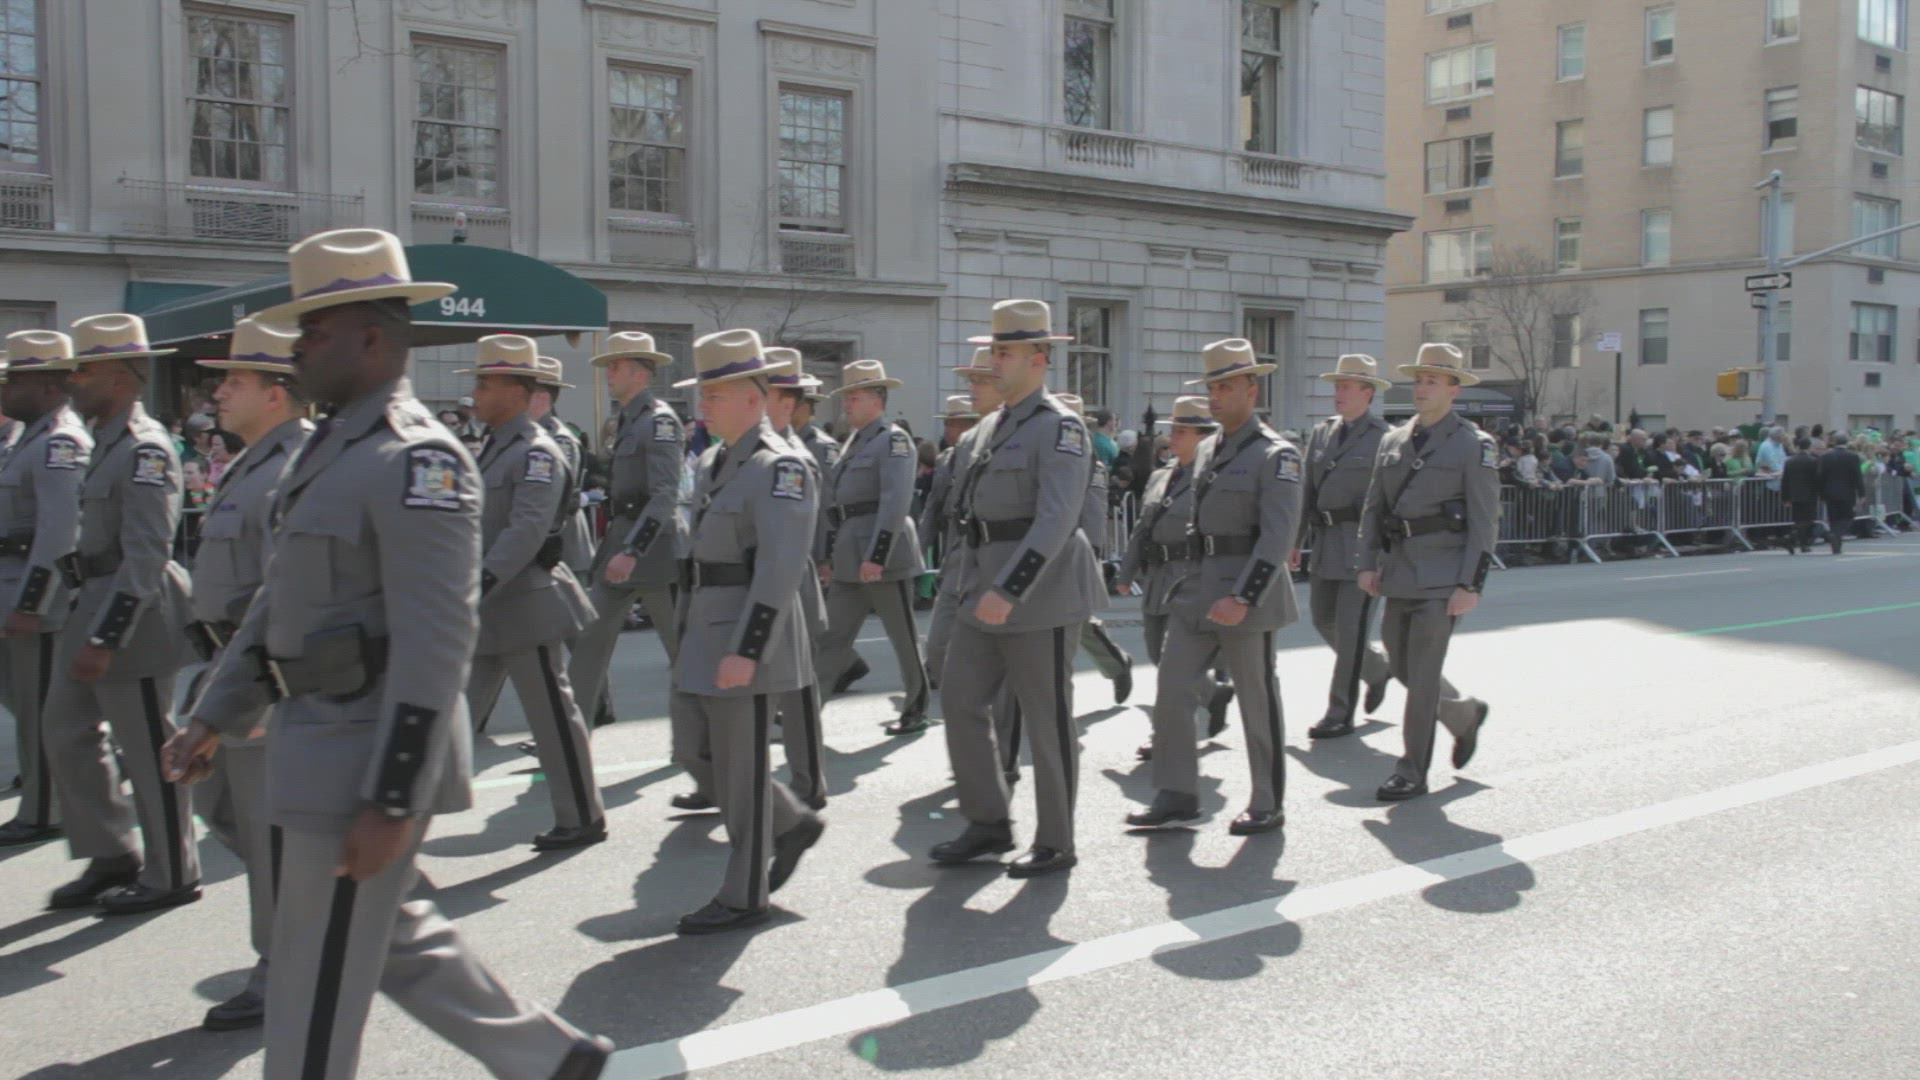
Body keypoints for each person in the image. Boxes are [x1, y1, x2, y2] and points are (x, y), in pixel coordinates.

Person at [161, 228, 612, 1079]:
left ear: (370, 337)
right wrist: (215, 711)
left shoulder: (418, 460)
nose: (298, 348)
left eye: (314, 331)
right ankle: (549, 1059)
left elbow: (438, 637)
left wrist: (394, 793)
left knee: (312, 991)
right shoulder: (328, 450)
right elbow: (278, 602)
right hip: (311, 739)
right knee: (393, 937)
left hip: (361, 755)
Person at [930, 299, 1104, 877]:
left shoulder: (1061, 428)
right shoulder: (988, 428)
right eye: (994, 350)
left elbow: (1057, 520)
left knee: (1046, 718)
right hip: (980, 588)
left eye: (1005, 352)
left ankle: (1056, 840)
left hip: (1038, 596)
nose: (994, 361)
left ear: (1039, 358)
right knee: (959, 699)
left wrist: (1009, 589)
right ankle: (987, 821)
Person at [663, 329, 825, 933]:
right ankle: (790, 821)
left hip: (744, 637)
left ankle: (744, 894)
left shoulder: (780, 467)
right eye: (703, 392)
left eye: (715, 393)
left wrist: (749, 650)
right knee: (694, 749)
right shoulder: (715, 461)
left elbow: (779, 567)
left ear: (754, 398)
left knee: (741, 770)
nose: (702, 403)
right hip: (704, 629)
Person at [177, 317, 312, 1029]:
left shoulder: (294, 467)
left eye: (235, 380)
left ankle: (284, 966)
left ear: (276, 392)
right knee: (218, 807)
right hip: (224, 667)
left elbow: (283, 595)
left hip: (258, 678)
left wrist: (255, 696)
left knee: (267, 829)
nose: (219, 393)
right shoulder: (252, 460)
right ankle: (324, 899)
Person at [41, 313, 200, 913]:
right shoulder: (104, 440)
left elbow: (147, 556)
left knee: (149, 748)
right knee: (64, 732)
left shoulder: (145, 448)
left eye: (84, 369)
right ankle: (111, 852)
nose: (72, 379)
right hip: (90, 601)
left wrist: (106, 636)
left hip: (134, 613)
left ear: (121, 376)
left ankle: (173, 872)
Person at [1126, 339, 1300, 834]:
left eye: (1226, 386)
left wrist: (1244, 595)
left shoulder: (1276, 455)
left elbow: (1277, 536)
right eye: (1212, 388)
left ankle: (1267, 800)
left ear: (1252, 389)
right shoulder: (1205, 450)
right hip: (1197, 589)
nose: (1216, 396)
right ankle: (1177, 793)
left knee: (1256, 698)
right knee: (1172, 688)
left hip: (1246, 594)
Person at [456, 336, 607, 851]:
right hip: (490, 608)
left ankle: (582, 815)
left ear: (519, 392)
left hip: (523, 606)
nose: (476, 393)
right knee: (450, 718)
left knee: (552, 720)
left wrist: (479, 582)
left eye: (485, 383)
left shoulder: (536, 452)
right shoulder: (494, 447)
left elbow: (525, 531)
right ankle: (402, 821)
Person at [1356, 342, 1496, 802]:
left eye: (1432, 381)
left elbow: (1484, 521)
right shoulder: (1393, 440)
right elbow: (1374, 507)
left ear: (1454, 389)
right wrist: (1367, 562)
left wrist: (1470, 584)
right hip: (1398, 571)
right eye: (1418, 380)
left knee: (1421, 676)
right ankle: (1462, 714)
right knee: (1400, 666)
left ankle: (1411, 771)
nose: (1421, 388)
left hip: (1442, 576)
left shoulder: (1473, 445)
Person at [567, 332, 686, 765]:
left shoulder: (659, 421)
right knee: (589, 639)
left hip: (654, 552)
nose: (609, 374)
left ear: (639, 372)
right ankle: (569, 736)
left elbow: (665, 494)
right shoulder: (627, 421)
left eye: (615, 366)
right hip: (620, 542)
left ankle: (703, 738)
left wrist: (633, 550)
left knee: (683, 652)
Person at [0, 331, 88, 848]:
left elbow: (58, 534)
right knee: (21, 700)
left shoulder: (59, 443)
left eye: (15, 380)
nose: (5, 389)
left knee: (39, 710)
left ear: (49, 387)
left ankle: (44, 809)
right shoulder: (26, 439)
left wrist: (33, 604)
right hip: (11, 591)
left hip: (35, 602)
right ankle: (46, 783)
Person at [814, 359, 931, 736]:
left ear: (877, 400)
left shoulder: (893, 440)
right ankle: (808, 709)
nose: (846, 405)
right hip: (850, 552)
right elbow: (838, 505)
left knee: (902, 636)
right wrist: (830, 555)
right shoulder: (855, 441)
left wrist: (877, 556)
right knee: (833, 636)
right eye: (846, 398)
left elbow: (894, 502)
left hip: (883, 555)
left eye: (855, 397)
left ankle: (915, 706)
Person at [1115, 396, 1234, 762]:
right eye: (1174, 429)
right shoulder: (1160, 476)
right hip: (1157, 578)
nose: (1174, 436)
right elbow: (1142, 528)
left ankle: (1166, 735)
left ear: (1204, 437)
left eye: (1183, 430)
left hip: (1190, 577)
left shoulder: (1214, 478)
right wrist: (1126, 570)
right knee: (1156, 652)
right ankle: (1213, 693)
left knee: (1172, 664)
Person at [1292, 354, 1392, 741]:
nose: (1339, 393)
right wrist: (1295, 541)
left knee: (1350, 632)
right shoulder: (1322, 433)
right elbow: (1306, 492)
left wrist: (1381, 555)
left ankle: (1339, 712)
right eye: (1337, 386)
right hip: (1326, 544)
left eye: (1347, 386)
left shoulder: (1385, 437)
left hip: (1363, 547)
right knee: (1323, 620)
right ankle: (1376, 669)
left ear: (1367, 392)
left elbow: (1388, 501)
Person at [760, 345, 831, 809]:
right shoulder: (754, 448)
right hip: (756, 577)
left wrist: (822, 564)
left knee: (797, 686)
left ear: (786, 400)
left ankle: (807, 780)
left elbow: (809, 526)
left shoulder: (794, 455)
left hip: (789, 577)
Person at [1054, 393, 1134, 705]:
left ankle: (1116, 663)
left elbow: (1094, 512)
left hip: (1073, 552)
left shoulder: (1089, 462)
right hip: (1045, 548)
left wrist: (1092, 556)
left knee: (1074, 620)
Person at [918, 374, 992, 692]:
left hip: (988, 554)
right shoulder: (946, 460)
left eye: (954, 423)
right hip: (956, 554)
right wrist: (919, 550)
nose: (948, 430)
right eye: (947, 423)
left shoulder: (988, 451)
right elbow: (934, 509)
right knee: (939, 636)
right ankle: (938, 674)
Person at [1816, 431, 1865, 553]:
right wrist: (1862, 493)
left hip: (1829, 491)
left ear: (1834, 442)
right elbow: (1857, 476)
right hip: (1847, 491)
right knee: (1848, 516)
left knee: (1834, 518)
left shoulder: (1825, 456)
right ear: (1846, 442)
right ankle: (1836, 535)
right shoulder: (1852, 456)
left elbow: (1820, 476)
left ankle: (1836, 543)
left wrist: (1821, 492)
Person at [1780, 436, 1820, 554]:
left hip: (1794, 494)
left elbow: (1785, 480)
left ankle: (1796, 540)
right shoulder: (1813, 461)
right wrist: (1820, 492)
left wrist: (1785, 497)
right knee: (1808, 519)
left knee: (1798, 519)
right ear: (1809, 447)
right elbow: (1817, 479)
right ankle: (1797, 540)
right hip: (1809, 494)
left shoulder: (1790, 461)